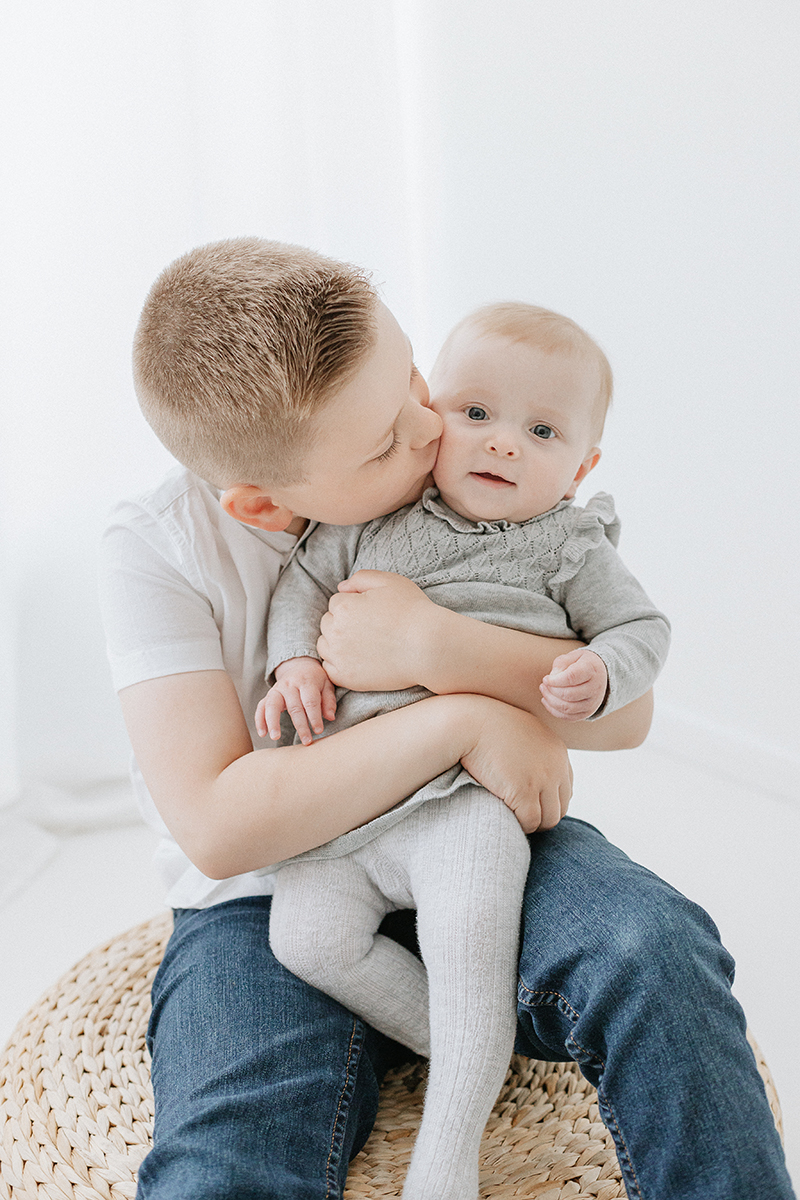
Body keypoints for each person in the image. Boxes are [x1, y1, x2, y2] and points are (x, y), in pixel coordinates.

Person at [99, 237, 794, 1200]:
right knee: (228, 1147)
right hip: (265, 897)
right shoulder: (155, 552)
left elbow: (624, 716)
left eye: (418, 383)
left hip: (470, 820)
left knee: (653, 949)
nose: (435, 432)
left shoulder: (465, 466)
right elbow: (221, 828)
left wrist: (439, 651)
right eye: (388, 440)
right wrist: (462, 721)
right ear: (260, 500)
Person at [256, 301, 671, 1198]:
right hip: (354, 799)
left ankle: (446, 1162)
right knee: (305, 937)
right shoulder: (384, 511)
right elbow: (304, 581)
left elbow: (643, 628)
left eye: (542, 429)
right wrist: (293, 657)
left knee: (469, 947)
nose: (502, 443)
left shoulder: (568, 543)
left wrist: (602, 671)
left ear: (582, 465)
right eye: (476, 413)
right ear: (433, 414)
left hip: (463, 802)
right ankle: (464, 1046)